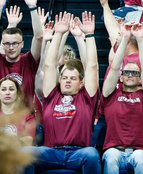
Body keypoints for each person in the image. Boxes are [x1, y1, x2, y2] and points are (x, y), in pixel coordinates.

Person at [33, 11, 101, 174]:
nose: (68, 80)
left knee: (92, 154)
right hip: (52, 153)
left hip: (78, 153)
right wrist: (59, 33)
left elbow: (92, 66)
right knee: (24, 153)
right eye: (64, 77)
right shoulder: (51, 96)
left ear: (81, 82)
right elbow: (49, 66)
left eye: (72, 78)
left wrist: (89, 35)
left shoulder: (86, 98)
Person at [100, 22, 143, 174]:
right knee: (111, 158)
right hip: (113, 150)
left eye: (135, 73)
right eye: (127, 73)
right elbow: (115, 68)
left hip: (138, 151)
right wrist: (124, 39)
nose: (130, 75)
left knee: (141, 160)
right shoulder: (111, 94)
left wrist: (141, 39)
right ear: (121, 78)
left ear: (140, 79)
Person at [0, 0, 43, 104]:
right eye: (7, 44)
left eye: (15, 43)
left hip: (25, 119)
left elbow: (39, 37)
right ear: (3, 45)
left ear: (22, 44)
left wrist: (32, 7)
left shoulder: (29, 61)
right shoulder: (1, 61)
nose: (11, 47)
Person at [0, 75, 35, 146]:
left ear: (17, 93)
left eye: (11, 89)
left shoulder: (27, 117)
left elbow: (28, 141)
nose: (7, 93)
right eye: (3, 89)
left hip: (18, 154)